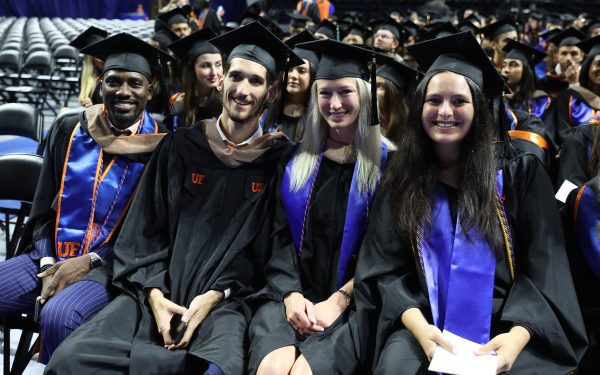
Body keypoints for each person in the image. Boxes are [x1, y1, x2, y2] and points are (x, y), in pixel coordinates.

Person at [45, 22, 302, 375]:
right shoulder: (181, 147)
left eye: (255, 82)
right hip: (154, 292)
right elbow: (143, 233)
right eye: (236, 77)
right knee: (70, 361)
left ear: (271, 93)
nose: (242, 90)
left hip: (226, 305)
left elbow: (271, 253)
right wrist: (154, 295)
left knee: (212, 369)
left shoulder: (279, 161)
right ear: (222, 79)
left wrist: (218, 295)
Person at [353, 31, 587, 374]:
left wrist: (519, 336)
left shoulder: (519, 175)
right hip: (424, 320)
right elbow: (383, 268)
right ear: (420, 107)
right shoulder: (403, 177)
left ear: (479, 107)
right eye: (434, 101)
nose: (445, 111)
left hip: (509, 319)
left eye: (458, 101)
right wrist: (420, 329)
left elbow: (545, 267)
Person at [0, 33, 171, 363]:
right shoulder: (69, 129)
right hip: (48, 258)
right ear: (100, 84)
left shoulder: (163, 149)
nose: (123, 92)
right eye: (114, 81)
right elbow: (42, 211)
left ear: (150, 90)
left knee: (60, 315)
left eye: (134, 83)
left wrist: (88, 262)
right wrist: (50, 262)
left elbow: (149, 236)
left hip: (111, 269)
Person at [247, 39, 391, 375]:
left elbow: (385, 255)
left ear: (364, 96)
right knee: (273, 366)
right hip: (287, 296)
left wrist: (340, 300)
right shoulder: (294, 161)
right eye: (325, 93)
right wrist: (290, 295)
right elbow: (278, 237)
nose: (334, 103)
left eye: (345, 92)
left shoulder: (390, 167)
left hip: (355, 305)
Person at [556, 35, 600, 188]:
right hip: (574, 157)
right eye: (598, 64)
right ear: (588, 67)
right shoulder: (567, 96)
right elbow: (563, 132)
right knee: (567, 197)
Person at [262, 30, 320, 142]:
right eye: (290, 69)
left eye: (301, 71)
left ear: (312, 77)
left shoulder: (318, 116)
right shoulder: (267, 105)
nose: (293, 75)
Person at [167, 28, 223, 128]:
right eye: (206, 66)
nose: (214, 72)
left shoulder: (226, 104)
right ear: (192, 69)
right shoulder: (178, 103)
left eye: (218, 65)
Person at [375, 59, 419, 141]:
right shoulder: (366, 125)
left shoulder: (412, 133)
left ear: (394, 93)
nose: (370, 90)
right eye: (369, 84)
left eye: (378, 86)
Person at [69, 26, 109, 107]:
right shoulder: (85, 77)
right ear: (90, 59)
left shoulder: (113, 77)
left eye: (104, 53)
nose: (102, 59)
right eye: (97, 55)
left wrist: (93, 107)